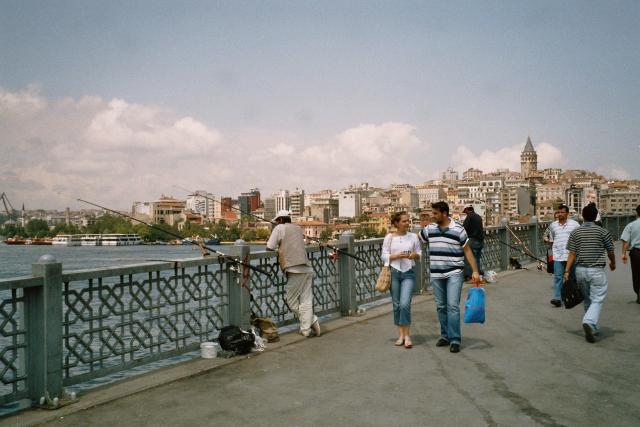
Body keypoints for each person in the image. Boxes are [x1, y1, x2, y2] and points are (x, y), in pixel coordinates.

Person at [419, 202, 480, 353]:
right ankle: (445, 336)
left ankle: (454, 339)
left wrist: (475, 271)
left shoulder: (458, 228)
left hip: (454, 272)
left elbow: (467, 251)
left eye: (435, 213)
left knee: (452, 306)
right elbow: (416, 240)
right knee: (441, 306)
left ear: (444, 213)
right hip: (436, 273)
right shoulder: (430, 229)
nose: (433, 216)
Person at [564, 203, 615, 343]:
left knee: (587, 299)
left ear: (583, 216)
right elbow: (610, 250)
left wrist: (567, 271)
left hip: (580, 270)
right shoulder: (602, 232)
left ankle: (594, 327)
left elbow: (572, 254)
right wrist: (613, 263)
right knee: (598, 298)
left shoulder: (576, 232)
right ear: (595, 216)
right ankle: (588, 321)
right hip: (596, 270)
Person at [266, 210, 321, 337]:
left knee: (290, 300)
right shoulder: (297, 228)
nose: (275, 224)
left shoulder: (279, 228)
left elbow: (269, 247)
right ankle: (306, 329)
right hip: (307, 268)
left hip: (295, 269)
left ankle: (311, 320)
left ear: (280, 220)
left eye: (276, 221)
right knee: (306, 300)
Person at [381, 211, 422, 349]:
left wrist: (413, 255)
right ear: (396, 223)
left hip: (408, 273)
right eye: (404, 221)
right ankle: (401, 335)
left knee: (405, 304)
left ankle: (407, 335)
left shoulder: (413, 237)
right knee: (397, 305)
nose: (407, 223)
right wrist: (397, 256)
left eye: (408, 220)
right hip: (393, 272)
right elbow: (384, 256)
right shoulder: (389, 237)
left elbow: (419, 254)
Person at [543, 204, 580, 307]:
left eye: (562, 212)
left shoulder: (575, 224)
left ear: (567, 213)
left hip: (571, 255)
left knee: (572, 277)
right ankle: (557, 298)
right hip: (557, 255)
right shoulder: (553, 225)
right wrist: (546, 240)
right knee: (558, 277)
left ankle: (575, 295)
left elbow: (580, 237)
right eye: (558, 212)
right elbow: (546, 236)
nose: (559, 214)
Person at [621, 205, 640, 304]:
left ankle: (638, 294)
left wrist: (623, 254)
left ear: (637, 213)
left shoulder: (631, 225)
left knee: (636, 274)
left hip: (636, 252)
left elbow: (626, 242)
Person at [462, 206, 484, 281]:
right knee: (477, 259)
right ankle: (477, 274)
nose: (465, 213)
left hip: (472, 240)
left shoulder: (469, 217)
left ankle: (469, 276)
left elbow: (464, 228)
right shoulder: (478, 217)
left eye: (465, 211)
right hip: (480, 240)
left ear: (468, 210)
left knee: (469, 259)